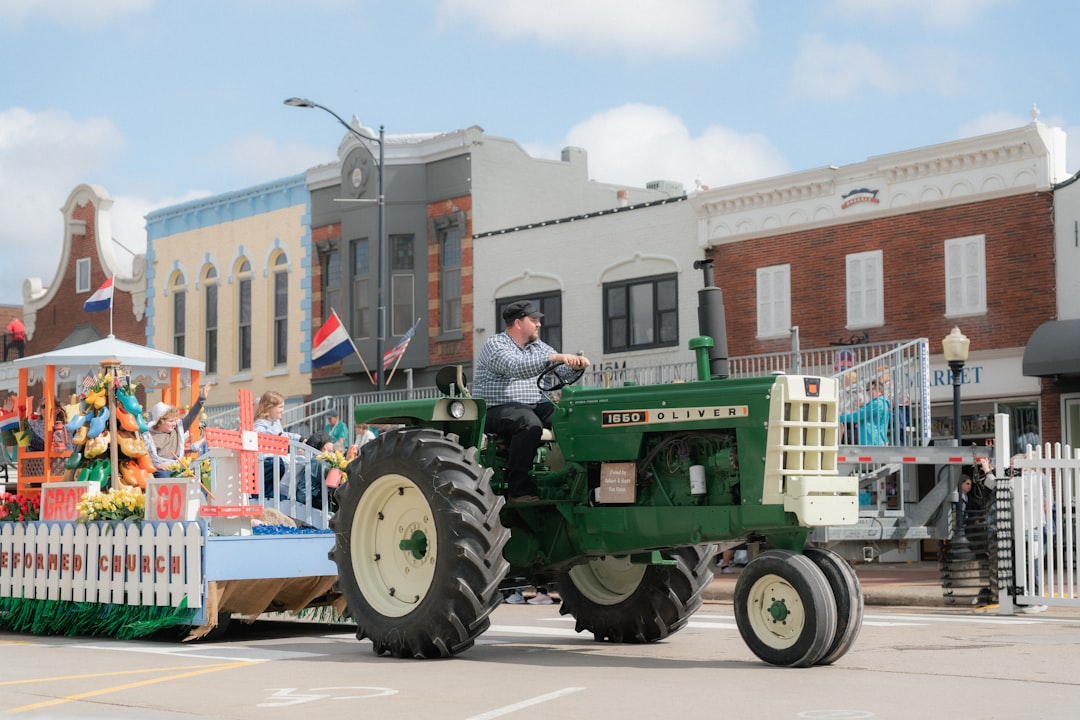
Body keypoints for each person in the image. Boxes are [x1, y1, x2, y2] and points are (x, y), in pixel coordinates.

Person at [472, 300, 590, 502]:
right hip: (496, 408)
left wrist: (575, 367)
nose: (539, 324)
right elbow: (516, 367)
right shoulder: (496, 344)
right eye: (534, 320)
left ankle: (581, 482)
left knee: (572, 418)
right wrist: (555, 357)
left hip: (534, 405)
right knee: (528, 424)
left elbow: (561, 372)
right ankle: (518, 491)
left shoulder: (539, 347)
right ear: (518, 323)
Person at [144, 384, 212, 477]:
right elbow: (144, 456)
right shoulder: (148, 435)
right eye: (171, 421)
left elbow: (191, 416)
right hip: (160, 469)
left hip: (177, 465)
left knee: (195, 477)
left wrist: (201, 399)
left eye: (174, 420)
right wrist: (156, 465)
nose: (174, 423)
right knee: (164, 478)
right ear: (160, 421)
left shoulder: (177, 429)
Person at [253, 390, 309, 500]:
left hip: (277, 455)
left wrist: (299, 438)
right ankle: (278, 491)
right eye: (280, 407)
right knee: (283, 463)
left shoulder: (276, 422)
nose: (282, 410)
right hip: (265, 457)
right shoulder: (260, 423)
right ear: (269, 407)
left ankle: (287, 490)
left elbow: (284, 434)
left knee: (300, 461)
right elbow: (261, 437)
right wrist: (278, 438)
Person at [838, 379, 891, 446]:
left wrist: (839, 418)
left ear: (879, 390)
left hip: (873, 441)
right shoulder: (879, 402)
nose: (869, 392)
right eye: (867, 390)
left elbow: (857, 416)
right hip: (874, 440)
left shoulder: (877, 403)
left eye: (872, 389)